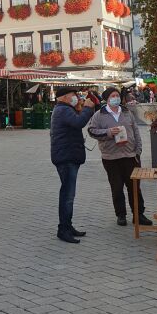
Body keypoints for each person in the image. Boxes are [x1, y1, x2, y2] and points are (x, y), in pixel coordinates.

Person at [87, 87, 150, 227]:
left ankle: (139, 214)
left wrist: (138, 150)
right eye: (112, 96)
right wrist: (108, 132)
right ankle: (121, 215)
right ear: (107, 99)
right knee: (116, 187)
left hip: (130, 156)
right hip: (111, 157)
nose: (116, 98)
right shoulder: (99, 115)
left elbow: (136, 131)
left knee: (134, 187)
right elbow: (92, 131)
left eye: (117, 95)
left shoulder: (127, 112)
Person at [49, 86, 101, 243]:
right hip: (66, 157)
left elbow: (76, 121)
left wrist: (83, 108)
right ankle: (63, 229)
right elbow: (79, 123)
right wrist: (86, 109)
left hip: (68, 155)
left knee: (68, 194)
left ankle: (67, 225)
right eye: (74, 94)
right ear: (64, 97)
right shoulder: (63, 110)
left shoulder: (64, 109)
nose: (77, 97)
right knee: (67, 195)